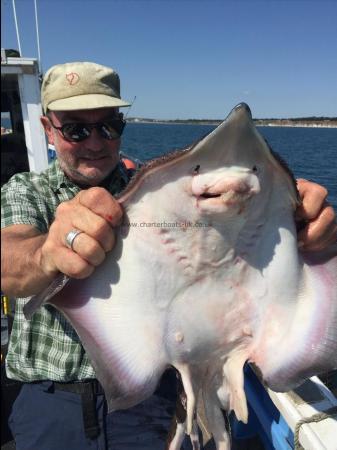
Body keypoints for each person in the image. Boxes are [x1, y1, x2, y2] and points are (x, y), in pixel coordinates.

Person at [1, 61, 336, 450]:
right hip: (50, 403)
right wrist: (46, 253)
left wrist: (312, 232)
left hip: (146, 407)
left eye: (108, 126)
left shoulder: (153, 184)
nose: (95, 142)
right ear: (48, 129)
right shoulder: (24, 191)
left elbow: (223, 251)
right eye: (76, 129)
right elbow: (8, 255)